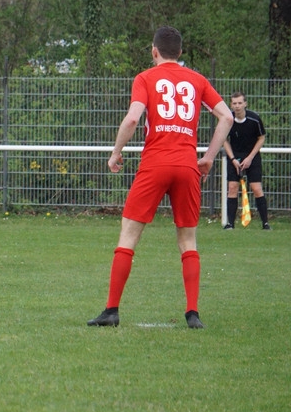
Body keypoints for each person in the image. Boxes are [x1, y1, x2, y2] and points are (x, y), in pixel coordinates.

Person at [87, 26, 232, 330]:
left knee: (128, 235)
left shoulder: (145, 78)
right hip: (186, 165)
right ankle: (192, 313)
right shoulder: (197, 80)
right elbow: (227, 117)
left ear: (154, 51)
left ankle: (111, 310)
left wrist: (115, 153)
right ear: (180, 53)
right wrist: (207, 157)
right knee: (188, 239)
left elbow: (133, 118)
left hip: (155, 164)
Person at [222, 92, 270, 230]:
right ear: (231, 105)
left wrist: (250, 157)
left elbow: (261, 138)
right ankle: (230, 224)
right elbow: (224, 139)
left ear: (245, 104)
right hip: (235, 157)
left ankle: (265, 223)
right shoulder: (228, 120)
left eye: (240, 103)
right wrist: (232, 159)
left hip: (252, 157)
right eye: (234, 103)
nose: (237, 106)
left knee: (256, 188)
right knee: (232, 188)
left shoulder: (254, 119)